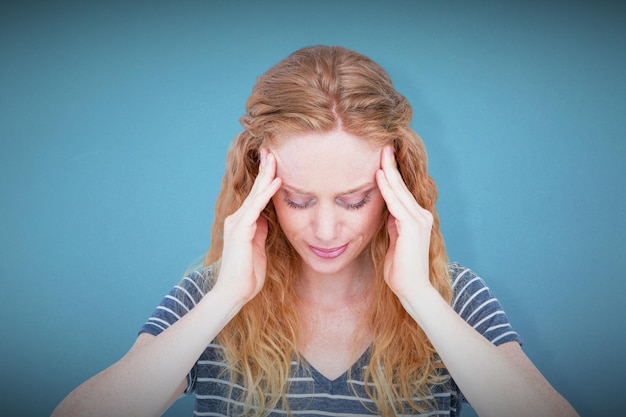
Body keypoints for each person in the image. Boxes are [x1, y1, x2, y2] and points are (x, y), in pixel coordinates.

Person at [52, 45, 579, 417]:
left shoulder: (453, 298)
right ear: (260, 190)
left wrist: (419, 296)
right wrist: (226, 299)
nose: (326, 229)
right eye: (298, 200)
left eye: (354, 200)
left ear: (397, 188)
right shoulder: (207, 298)